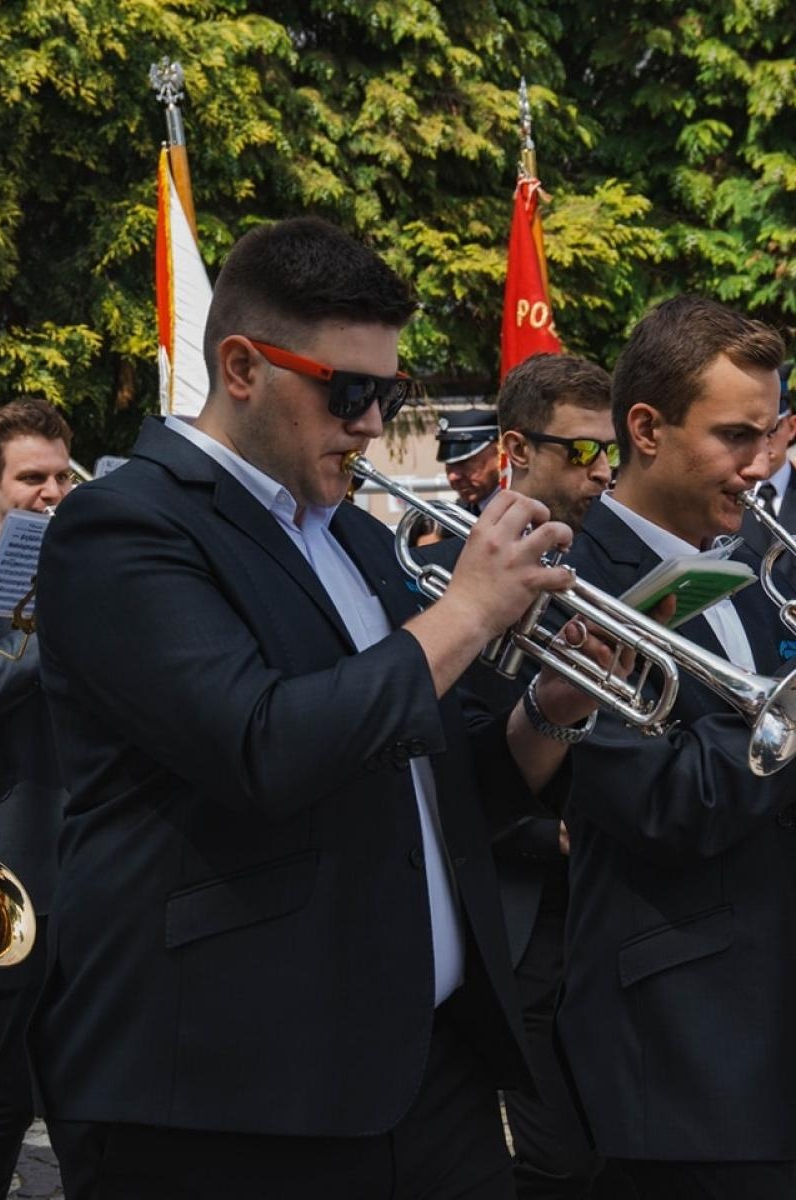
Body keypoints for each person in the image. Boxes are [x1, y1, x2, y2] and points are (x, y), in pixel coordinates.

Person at [30, 217, 618, 1200]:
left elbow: (426, 773)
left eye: (386, 395)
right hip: (233, 1099)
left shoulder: (347, 532)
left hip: (426, 1079)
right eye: (347, 392)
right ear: (242, 366)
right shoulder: (122, 523)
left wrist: (545, 713)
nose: (369, 424)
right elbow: (264, 747)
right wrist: (468, 611)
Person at [555, 295, 796, 1199]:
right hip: (689, 1054)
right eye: (737, 437)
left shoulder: (754, 563)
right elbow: (662, 801)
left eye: (771, 436)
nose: (760, 467)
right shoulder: (569, 578)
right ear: (646, 429)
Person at [424, 354, 619, 1199]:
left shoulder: (609, 560)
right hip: (519, 908)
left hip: (609, 911)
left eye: (609, 451)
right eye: (582, 452)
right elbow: (449, 759)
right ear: (516, 448)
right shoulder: (451, 573)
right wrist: (556, 831)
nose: (603, 470)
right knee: (558, 1160)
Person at [0, 397, 72, 1200]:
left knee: (78, 1096)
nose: (51, 494)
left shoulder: (80, 569)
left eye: (61, 477)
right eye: (29, 479)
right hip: (5, 874)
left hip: (73, 873)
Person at [740, 361, 796, 584]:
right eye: (750, 432)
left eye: (772, 430)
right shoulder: (721, 496)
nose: (763, 442)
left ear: (791, 428)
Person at [435, 407, 501, 514]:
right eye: (449, 465)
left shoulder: (526, 512)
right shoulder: (460, 514)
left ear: (499, 453)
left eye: (464, 463)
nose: (452, 477)